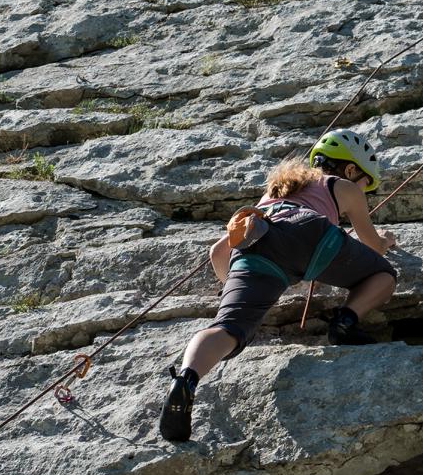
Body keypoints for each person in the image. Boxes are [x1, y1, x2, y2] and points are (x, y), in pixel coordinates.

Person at [159, 129, 399, 443]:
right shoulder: (341, 186)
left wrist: (236, 287)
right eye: (365, 182)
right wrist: (386, 241)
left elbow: (219, 252)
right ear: (351, 169)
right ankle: (345, 322)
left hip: (257, 241)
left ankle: (187, 380)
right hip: (311, 235)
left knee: (229, 328)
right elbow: (372, 244)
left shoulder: (271, 196)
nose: (363, 189)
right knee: (383, 276)